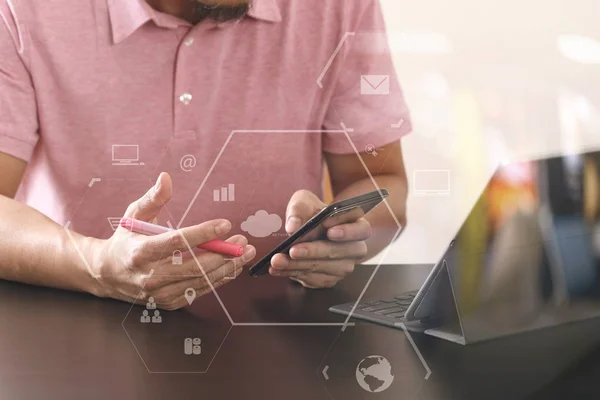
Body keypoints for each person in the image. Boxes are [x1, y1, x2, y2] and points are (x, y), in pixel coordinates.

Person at [0, 0, 411, 310]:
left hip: (276, 331)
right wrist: (97, 264)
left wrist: (338, 238)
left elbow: (383, 185)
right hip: (71, 317)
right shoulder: (23, 10)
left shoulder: (340, 7)